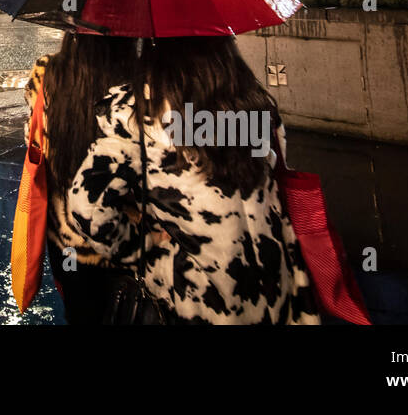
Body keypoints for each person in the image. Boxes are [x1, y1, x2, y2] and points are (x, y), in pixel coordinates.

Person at [66, 35, 320, 324]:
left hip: (198, 303)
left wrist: (144, 247)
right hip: (277, 290)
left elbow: (86, 209)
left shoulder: (136, 116)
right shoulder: (253, 104)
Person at [29, 34, 144, 325]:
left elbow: (37, 144)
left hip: (67, 241)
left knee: (80, 314)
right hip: (122, 238)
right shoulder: (138, 80)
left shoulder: (47, 74)